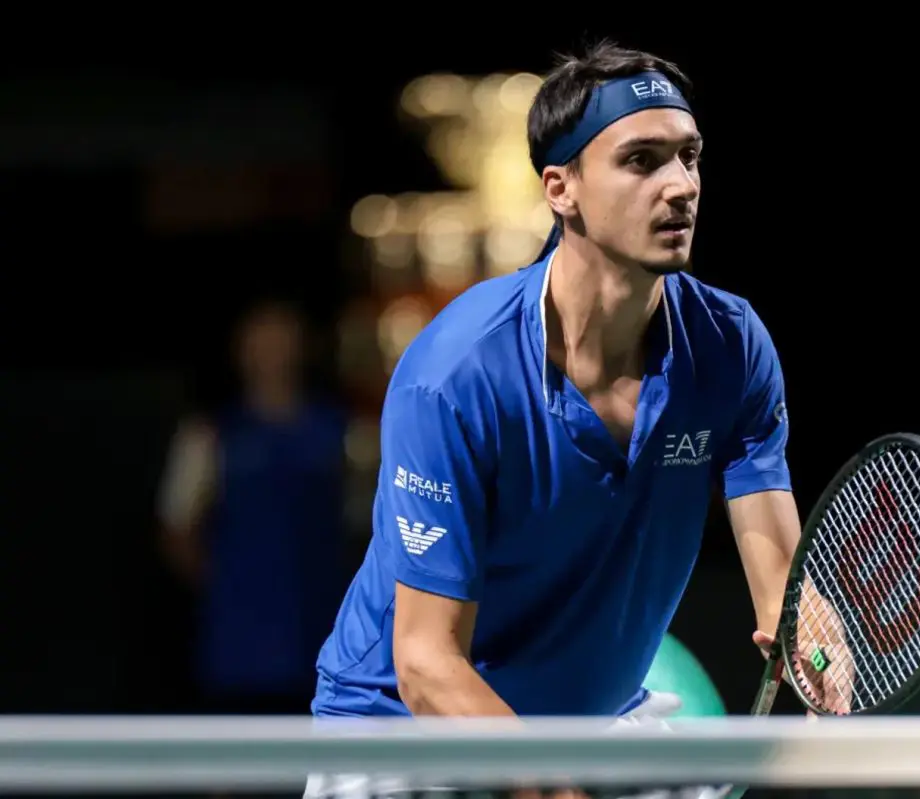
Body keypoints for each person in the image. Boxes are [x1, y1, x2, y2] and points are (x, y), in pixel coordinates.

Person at [306, 41, 848, 798]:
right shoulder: (456, 376)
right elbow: (427, 664)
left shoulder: (729, 347)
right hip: (408, 732)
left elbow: (780, 579)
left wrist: (812, 636)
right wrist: (552, 789)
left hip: (592, 722)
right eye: (641, 161)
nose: (680, 186)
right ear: (561, 189)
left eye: (689, 157)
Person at [158, 299, 348, 722]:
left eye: (283, 337)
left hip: (323, 631)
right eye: (261, 339)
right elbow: (177, 531)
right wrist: (231, 589)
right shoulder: (208, 435)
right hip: (238, 646)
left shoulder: (342, 432)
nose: (272, 351)